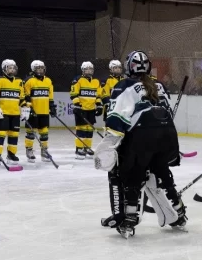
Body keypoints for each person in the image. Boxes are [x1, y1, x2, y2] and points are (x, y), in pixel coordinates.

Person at [93, 50, 186, 238]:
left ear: (129, 66)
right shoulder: (158, 85)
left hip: (142, 137)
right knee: (161, 173)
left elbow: (117, 117)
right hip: (167, 136)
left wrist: (110, 141)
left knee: (132, 175)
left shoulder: (124, 85)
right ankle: (180, 212)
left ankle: (129, 218)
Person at [0, 59, 27, 165]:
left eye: (14, 67)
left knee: (14, 135)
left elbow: (22, 98)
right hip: (3, 113)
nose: (12, 69)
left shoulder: (19, 81)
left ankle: (11, 154)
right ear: (4, 69)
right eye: (10, 67)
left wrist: (25, 108)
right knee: (1, 134)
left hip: (15, 113)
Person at [22, 60, 56, 163]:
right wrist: (29, 107)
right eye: (38, 68)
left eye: (42, 68)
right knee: (31, 133)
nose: (40, 70)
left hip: (44, 111)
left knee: (44, 133)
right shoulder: (28, 81)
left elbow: (50, 96)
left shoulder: (48, 81)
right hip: (33, 112)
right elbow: (25, 96)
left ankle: (44, 151)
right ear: (33, 70)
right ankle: (29, 150)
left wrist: (52, 106)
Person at [70, 61, 102, 159]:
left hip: (91, 109)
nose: (89, 71)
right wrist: (77, 106)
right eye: (86, 69)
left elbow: (98, 95)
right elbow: (73, 94)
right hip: (81, 109)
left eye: (90, 69)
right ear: (83, 70)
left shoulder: (96, 81)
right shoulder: (77, 80)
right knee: (81, 129)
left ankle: (87, 147)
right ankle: (79, 148)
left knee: (89, 129)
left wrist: (99, 106)